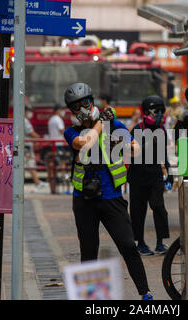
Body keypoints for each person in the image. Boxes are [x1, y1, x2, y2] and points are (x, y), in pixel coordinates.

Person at [63, 82, 153, 300]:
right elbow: (84, 143)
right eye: (76, 107)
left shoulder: (115, 125)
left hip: (112, 198)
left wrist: (123, 144)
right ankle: (91, 300)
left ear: (92, 102)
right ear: (71, 112)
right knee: (89, 252)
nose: (82, 109)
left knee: (127, 246)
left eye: (85, 103)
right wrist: (101, 123)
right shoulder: (71, 131)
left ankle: (145, 293)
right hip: (83, 201)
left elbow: (137, 149)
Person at [128, 95, 171, 256]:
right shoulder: (138, 129)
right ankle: (140, 243)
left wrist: (169, 170)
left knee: (159, 207)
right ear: (147, 112)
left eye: (162, 110)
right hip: (138, 176)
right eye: (156, 111)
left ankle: (161, 242)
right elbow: (130, 153)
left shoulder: (161, 130)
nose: (159, 114)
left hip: (155, 175)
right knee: (138, 211)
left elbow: (163, 153)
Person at [25, 105, 48, 192]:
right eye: (29, 111)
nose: (31, 113)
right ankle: (37, 183)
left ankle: (37, 182)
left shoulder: (25, 120)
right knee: (30, 163)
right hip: (26, 147)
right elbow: (31, 133)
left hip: (26, 146)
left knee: (29, 163)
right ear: (25, 111)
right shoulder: (25, 120)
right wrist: (40, 138)